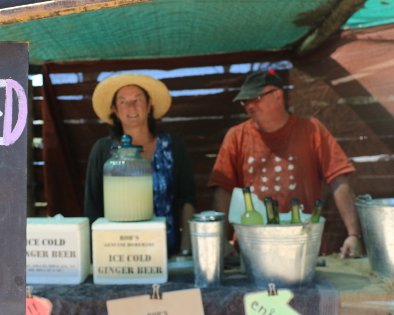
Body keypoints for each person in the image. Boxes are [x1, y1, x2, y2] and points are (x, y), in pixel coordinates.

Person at [209, 69, 364, 258]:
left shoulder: (311, 129)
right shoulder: (236, 136)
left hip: (304, 247)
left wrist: (353, 234)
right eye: (245, 101)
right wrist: (221, 241)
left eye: (255, 98)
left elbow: (338, 179)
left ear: (278, 95)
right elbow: (223, 190)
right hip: (252, 250)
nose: (249, 105)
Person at [84, 73, 197, 256]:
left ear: (149, 104)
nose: (131, 106)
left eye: (138, 100)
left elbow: (187, 198)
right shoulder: (103, 150)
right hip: (115, 252)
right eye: (123, 101)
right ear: (114, 109)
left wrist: (185, 248)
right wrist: (97, 254)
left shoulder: (173, 145)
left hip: (168, 249)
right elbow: (93, 207)